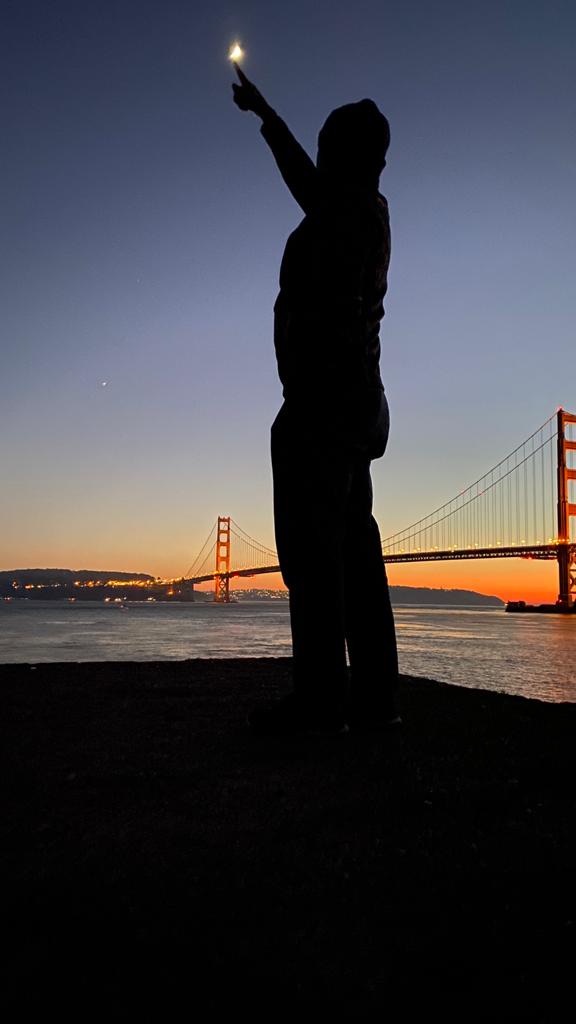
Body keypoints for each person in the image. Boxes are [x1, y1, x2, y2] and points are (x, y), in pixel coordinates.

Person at [232, 66, 400, 735]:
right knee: (352, 547)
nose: (322, 155)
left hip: (323, 406)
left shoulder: (352, 214)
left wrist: (270, 119)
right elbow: (309, 182)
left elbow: (312, 188)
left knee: (315, 549)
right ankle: (372, 698)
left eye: (330, 145)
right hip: (343, 405)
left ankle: (323, 701)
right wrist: (268, 116)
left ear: (352, 158)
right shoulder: (354, 210)